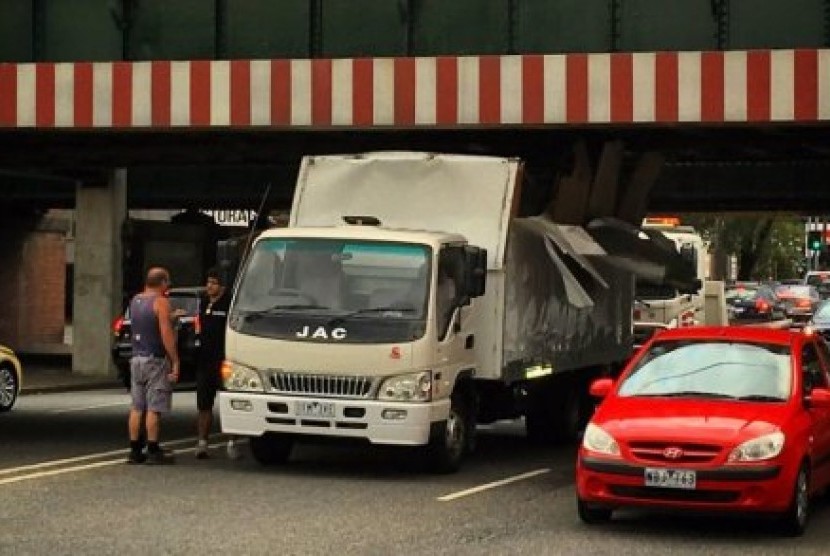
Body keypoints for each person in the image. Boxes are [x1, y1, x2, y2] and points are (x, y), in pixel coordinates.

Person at [127, 267, 179, 464]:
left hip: (136, 358)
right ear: (163, 283)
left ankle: (134, 449)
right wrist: (175, 360)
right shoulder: (161, 302)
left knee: (137, 406)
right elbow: (165, 334)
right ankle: (153, 449)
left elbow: (144, 324)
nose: (168, 287)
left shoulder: (135, 301)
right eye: (168, 283)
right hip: (154, 359)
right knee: (154, 407)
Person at [194, 268, 233, 459]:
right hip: (204, 361)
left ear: (222, 287)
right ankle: (202, 442)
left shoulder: (228, 303)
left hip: (223, 360)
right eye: (208, 282)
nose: (209, 286)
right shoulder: (203, 302)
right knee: (203, 404)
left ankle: (232, 442)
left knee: (229, 403)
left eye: (214, 283)